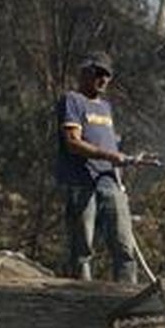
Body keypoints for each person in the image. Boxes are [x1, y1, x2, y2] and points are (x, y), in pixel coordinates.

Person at [55, 52, 138, 283]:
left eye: (107, 75)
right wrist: (110, 155)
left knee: (124, 248)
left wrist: (128, 160)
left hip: (111, 184)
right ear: (84, 73)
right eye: (97, 73)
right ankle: (81, 304)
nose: (102, 79)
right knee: (82, 250)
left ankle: (128, 304)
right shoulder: (72, 100)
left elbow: (110, 142)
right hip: (82, 184)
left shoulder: (105, 108)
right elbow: (73, 142)